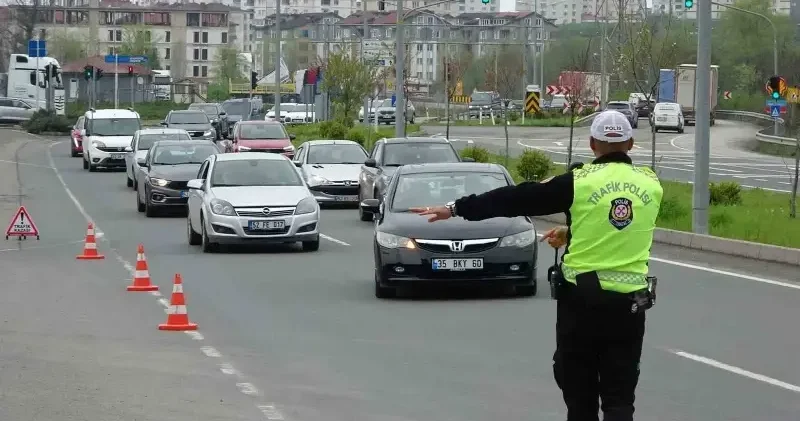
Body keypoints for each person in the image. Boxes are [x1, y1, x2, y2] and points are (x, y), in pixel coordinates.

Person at [410, 110, 664, 421]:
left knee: (578, 392)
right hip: (630, 305)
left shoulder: (578, 182)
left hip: (582, 303)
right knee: (620, 400)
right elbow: (621, 223)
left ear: (592, 144)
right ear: (632, 144)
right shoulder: (651, 184)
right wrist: (571, 231)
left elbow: (517, 198)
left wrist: (456, 208)